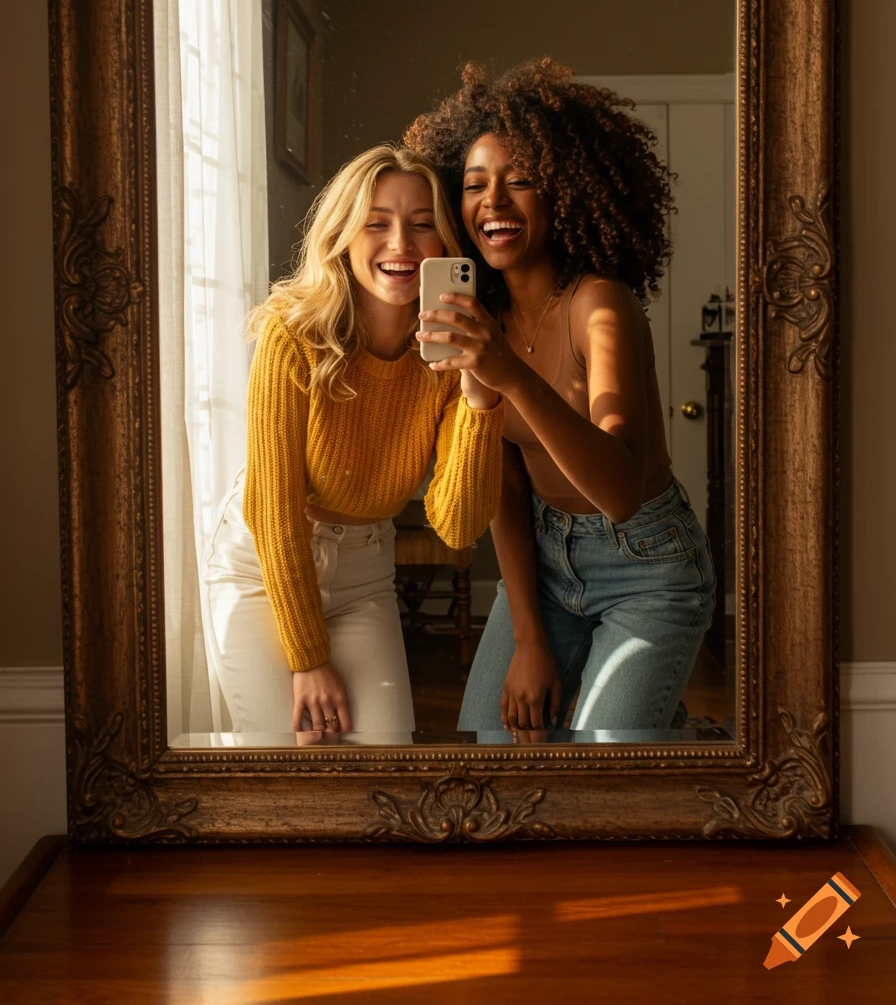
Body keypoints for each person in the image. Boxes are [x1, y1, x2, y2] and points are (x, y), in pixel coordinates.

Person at [405, 59, 716, 736]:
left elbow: (619, 490)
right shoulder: (477, 320)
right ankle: (655, 719)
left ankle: (662, 726)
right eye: (475, 185)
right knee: (490, 749)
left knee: (598, 763)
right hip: (544, 564)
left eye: (521, 182)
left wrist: (510, 376)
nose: (494, 202)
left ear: (564, 194)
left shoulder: (599, 306)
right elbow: (508, 488)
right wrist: (529, 641)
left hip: (647, 565)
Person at [201, 145, 504, 740]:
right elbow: (274, 508)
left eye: (423, 225)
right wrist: (308, 658)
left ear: (445, 243)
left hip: (365, 572)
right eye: (377, 224)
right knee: (288, 770)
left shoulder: (451, 356)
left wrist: (479, 395)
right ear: (342, 235)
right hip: (264, 566)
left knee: (382, 768)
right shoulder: (293, 335)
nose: (402, 244)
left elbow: (457, 526)